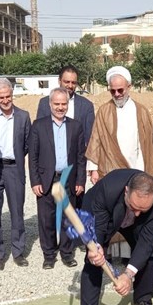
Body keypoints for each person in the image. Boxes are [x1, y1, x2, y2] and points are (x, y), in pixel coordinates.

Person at [80, 170, 153, 305]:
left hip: (134, 224)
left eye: (143, 209)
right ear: (126, 191)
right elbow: (98, 226)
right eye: (134, 206)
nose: (137, 213)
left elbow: (147, 239)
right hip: (105, 214)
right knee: (94, 261)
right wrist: (95, 247)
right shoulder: (108, 188)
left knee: (148, 253)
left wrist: (128, 274)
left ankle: (142, 299)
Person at [85, 66, 153, 263]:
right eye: (113, 90)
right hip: (111, 170)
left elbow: (148, 145)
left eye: (121, 90)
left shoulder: (141, 111)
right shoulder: (104, 111)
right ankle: (110, 252)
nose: (117, 94)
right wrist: (92, 168)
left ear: (129, 87)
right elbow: (96, 139)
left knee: (135, 211)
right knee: (113, 212)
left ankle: (133, 254)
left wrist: (147, 172)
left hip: (137, 169)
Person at [29, 88, 86, 269]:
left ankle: (67, 253)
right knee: (46, 219)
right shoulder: (38, 126)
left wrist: (80, 181)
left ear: (68, 104)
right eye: (57, 104)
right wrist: (35, 181)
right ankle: (49, 254)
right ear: (50, 104)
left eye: (64, 104)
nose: (60, 107)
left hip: (68, 179)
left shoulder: (76, 126)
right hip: (47, 180)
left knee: (68, 218)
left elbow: (80, 156)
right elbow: (33, 157)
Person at [0, 78, 31, 270]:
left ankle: (18, 251)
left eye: (8, 96)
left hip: (14, 168)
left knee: (17, 211)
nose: (5, 100)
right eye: (1, 97)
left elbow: (27, 143)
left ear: (13, 94)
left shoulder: (23, 116)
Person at [36, 64, 95, 150]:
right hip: (50, 158)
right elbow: (39, 133)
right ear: (59, 81)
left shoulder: (86, 106)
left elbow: (90, 137)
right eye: (67, 82)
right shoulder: (44, 103)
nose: (70, 86)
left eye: (73, 82)